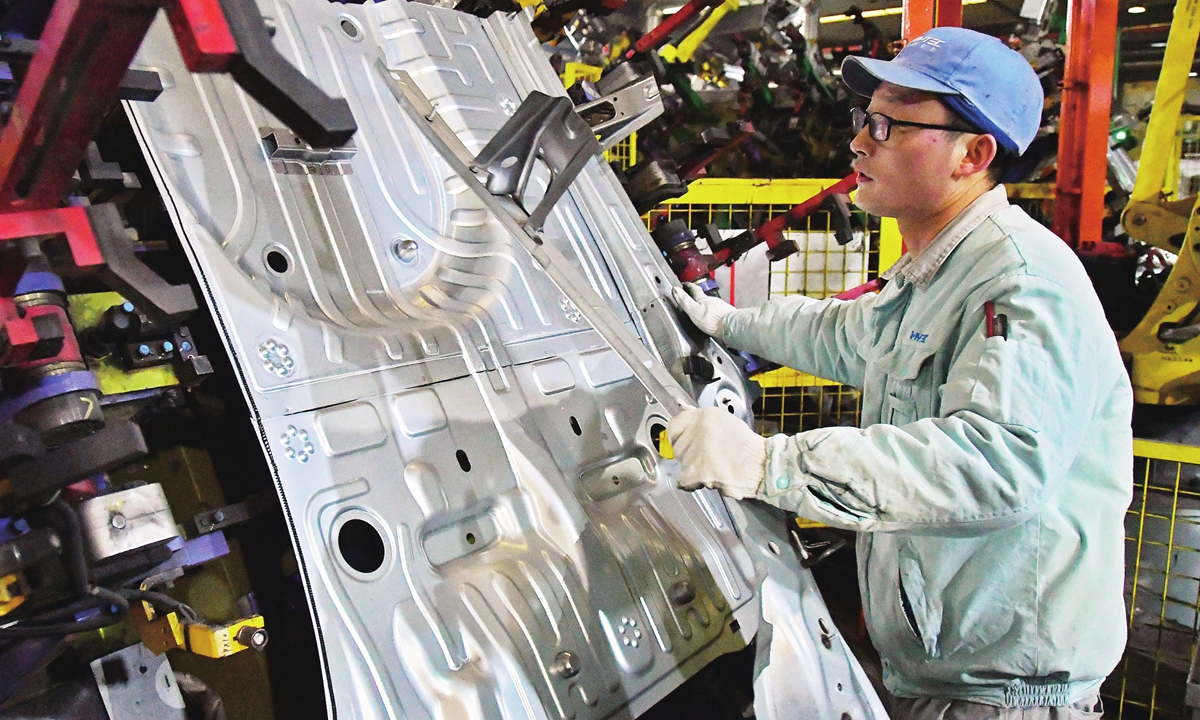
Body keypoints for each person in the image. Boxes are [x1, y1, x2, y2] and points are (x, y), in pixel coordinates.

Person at [668, 26, 1131, 720]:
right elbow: (848, 335)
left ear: (973, 155)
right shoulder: (940, 270)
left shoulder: (1020, 281)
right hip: (942, 675)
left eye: (888, 126)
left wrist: (771, 464)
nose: (859, 142)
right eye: (865, 118)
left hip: (1004, 698)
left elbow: (996, 462)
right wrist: (728, 320)